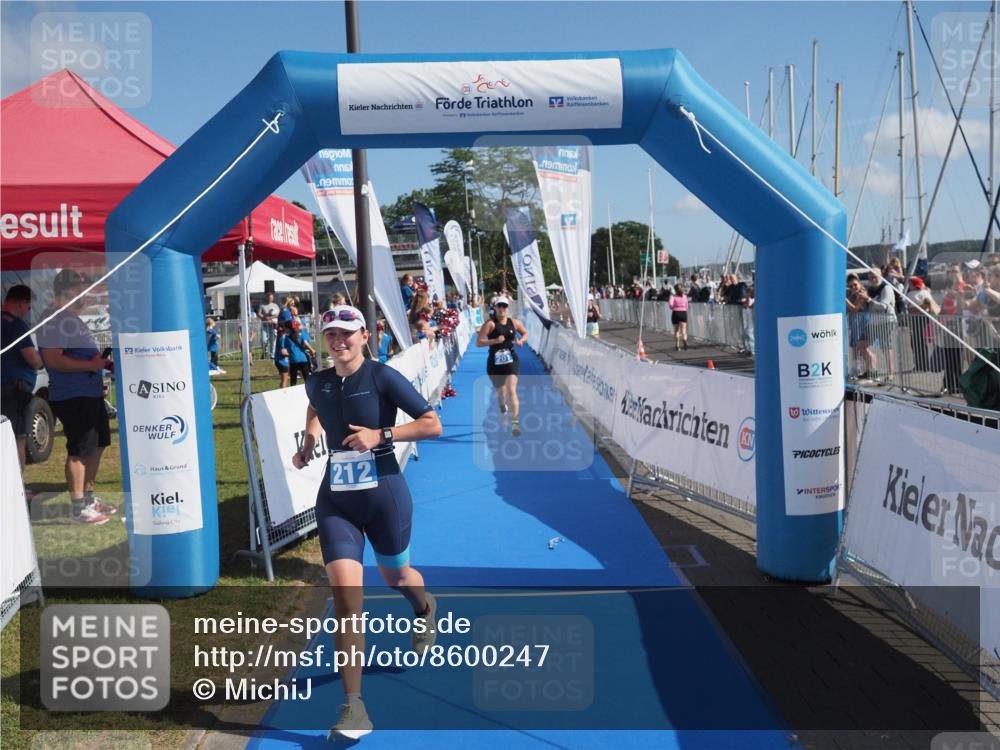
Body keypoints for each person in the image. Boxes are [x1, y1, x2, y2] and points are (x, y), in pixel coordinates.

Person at [291, 305, 442, 740]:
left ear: (364, 336)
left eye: (347, 334)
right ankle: (354, 707)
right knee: (346, 603)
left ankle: (423, 605)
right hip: (336, 501)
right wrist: (309, 443)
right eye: (331, 334)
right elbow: (315, 407)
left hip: (384, 498)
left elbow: (433, 424)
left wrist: (382, 436)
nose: (339, 341)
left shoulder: (382, 377)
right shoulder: (317, 380)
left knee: (396, 576)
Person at [37, 269, 116, 524]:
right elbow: (53, 359)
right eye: (84, 291)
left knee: (98, 444)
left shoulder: (70, 318)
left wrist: (99, 365)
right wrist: (89, 367)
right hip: (73, 395)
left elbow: (77, 356)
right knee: (80, 450)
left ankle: (89, 499)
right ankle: (79, 507)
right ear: (71, 291)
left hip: (89, 392)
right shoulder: (54, 319)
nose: (88, 296)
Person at [1, 285, 45, 472]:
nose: (29, 310)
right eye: (29, 306)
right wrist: (43, 360)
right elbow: (32, 359)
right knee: (17, 439)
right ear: (20, 303)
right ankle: (17, 489)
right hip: (13, 390)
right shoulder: (16, 325)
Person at [476, 295, 528, 437]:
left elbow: (525, 332)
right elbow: (479, 342)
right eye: (499, 306)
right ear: (495, 307)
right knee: (501, 393)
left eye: (504, 306)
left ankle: (515, 424)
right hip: (495, 363)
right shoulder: (490, 324)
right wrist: (494, 341)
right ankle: (502, 409)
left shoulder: (514, 322)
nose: (502, 309)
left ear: (507, 308)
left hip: (511, 360)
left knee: (511, 390)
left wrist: (522, 340)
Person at [284, 321, 317, 386]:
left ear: (288, 329)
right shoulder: (301, 335)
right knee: (307, 379)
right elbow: (306, 344)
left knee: (293, 380)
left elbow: (286, 350)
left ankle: (293, 393)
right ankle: (310, 392)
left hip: (293, 360)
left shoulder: (287, 338)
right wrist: (312, 350)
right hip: (303, 359)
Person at [258, 292, 280, 361]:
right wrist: (265, 317)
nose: (270, 298)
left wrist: (271, 318)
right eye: (269, 297)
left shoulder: (275, 305)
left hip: (273, 326)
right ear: (266, 297)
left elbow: (278, 314)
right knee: (264, 340)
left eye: (271, 297)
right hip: (265, 326)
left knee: (273, 341)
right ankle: (265, 352)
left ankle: (272, 355)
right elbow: (259, 314)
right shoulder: (262, 305)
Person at [669, 283, 689, 350]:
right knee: (684, 330)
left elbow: (670, 305)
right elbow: (687, 306)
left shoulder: (673, 296)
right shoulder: (685, 296)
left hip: (676, 313)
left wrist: (673, 307)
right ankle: (685, 340)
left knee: (676, 330)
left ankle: (677, 346)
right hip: (683, 313)